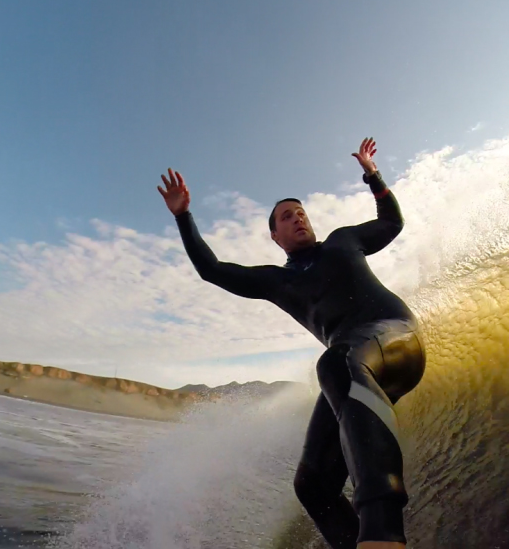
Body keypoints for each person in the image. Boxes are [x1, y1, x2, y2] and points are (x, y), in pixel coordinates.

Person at [157, 137, 425, 549]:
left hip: (396, 336)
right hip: (353, 365)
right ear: (274, 235)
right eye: (286, 216)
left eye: (301, 213)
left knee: (334, 363)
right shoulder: (276, 281)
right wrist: (183, 217)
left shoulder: (342, 241)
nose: (298, 218)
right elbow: (212, 269)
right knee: (312, 484)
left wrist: (372, 175)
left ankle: (383, 533)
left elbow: (392, 223)